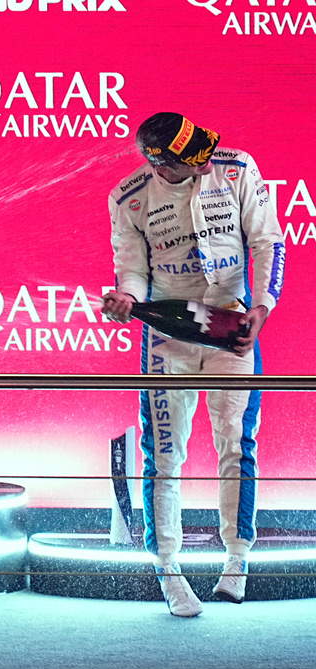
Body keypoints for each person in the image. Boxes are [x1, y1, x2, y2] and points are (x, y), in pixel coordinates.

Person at [102, 113, 286, 618]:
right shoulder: (128, 197)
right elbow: (133, 270)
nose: (203, 161)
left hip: (233, 330)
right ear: (160, 163)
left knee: (236, 442)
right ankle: (168, 570)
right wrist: (126, 297)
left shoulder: (236, 168)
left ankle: (237, 559)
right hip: (168, 338)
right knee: (164, 455)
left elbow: (269, 240)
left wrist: (261, 308)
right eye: (190, 158)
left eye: (203, 149)